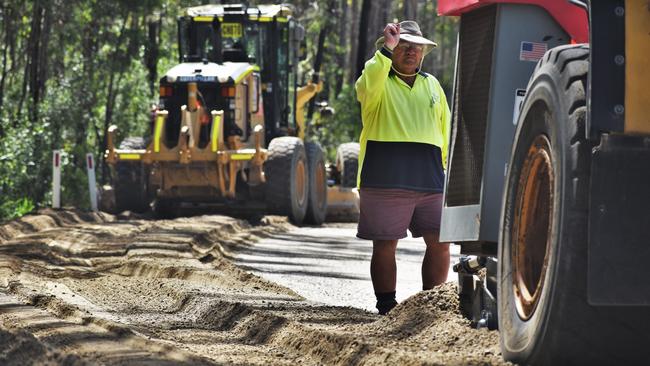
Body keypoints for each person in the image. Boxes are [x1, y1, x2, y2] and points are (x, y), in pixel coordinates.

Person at [354, 21, 451, 315]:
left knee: (441, 242)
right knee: (386, 245)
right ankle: (387, 308)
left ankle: (430, 306)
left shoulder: (432, 84)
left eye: (415, 47)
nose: (410, 52)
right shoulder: (377, 81)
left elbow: (445, 129)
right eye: (404, 46)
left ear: (423, 52)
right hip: (385, 178)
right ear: (392, 50)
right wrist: (387, 47)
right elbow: (368, 78)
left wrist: (445, 169)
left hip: (430, 179)